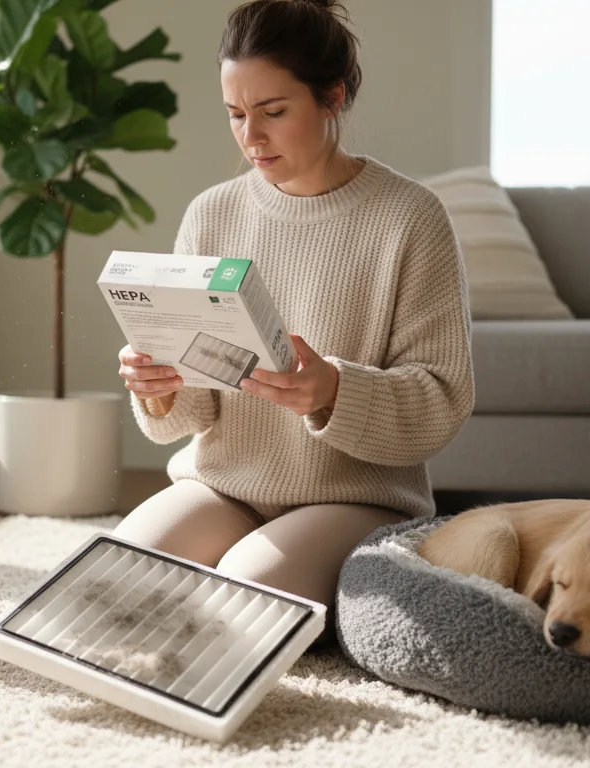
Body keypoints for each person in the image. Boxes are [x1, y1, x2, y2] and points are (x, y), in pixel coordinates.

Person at [113, 0, 474, 620]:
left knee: (243, 600)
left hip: (354, 497)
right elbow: (192, 413)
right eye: (236, 114)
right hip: (223, 485)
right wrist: (161, 386)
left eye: (273, 112)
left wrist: (334, 391)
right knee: (112, 583)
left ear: (332, 96)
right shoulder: (211, 214)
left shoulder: (411, 218)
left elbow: (442, 400)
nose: (250, 137)